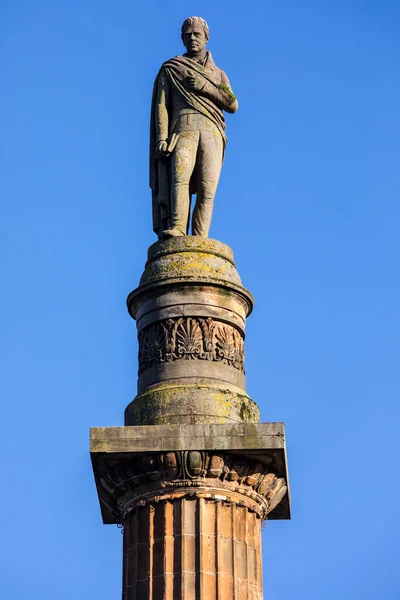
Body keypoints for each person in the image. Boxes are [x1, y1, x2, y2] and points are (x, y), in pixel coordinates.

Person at [150, 16, 238, 239]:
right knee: (180, 178)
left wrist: (205, 87)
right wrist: (162, 137)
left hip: (212, 131)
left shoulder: (218, 74)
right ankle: (178, 227)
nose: (192, 38)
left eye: (197, 34)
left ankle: (200, 237)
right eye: (187, 35)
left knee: (207, 189)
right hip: (183, 127)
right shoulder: (171, 69)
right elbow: (162, 104)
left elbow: (232, 104)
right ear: (182, 39)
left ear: (206, 37)